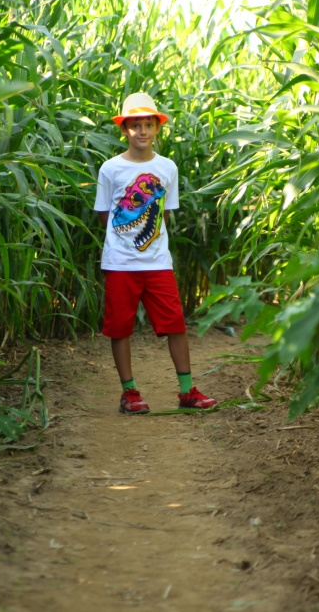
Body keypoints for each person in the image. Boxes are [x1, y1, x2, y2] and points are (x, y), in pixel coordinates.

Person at [93, 92, 218, 414]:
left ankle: (187, 391)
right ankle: (130, 393)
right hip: (120, 264)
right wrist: (124, 238)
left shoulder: (167, 167)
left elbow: (165, 214)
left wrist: (148, 240)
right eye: (135, 125)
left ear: (157, 128)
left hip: (158, 262)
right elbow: (104, 214)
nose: (142, 131)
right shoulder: (110, 168)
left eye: (148, 125)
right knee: (120, 328)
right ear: (124, 129)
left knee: (175, 324)